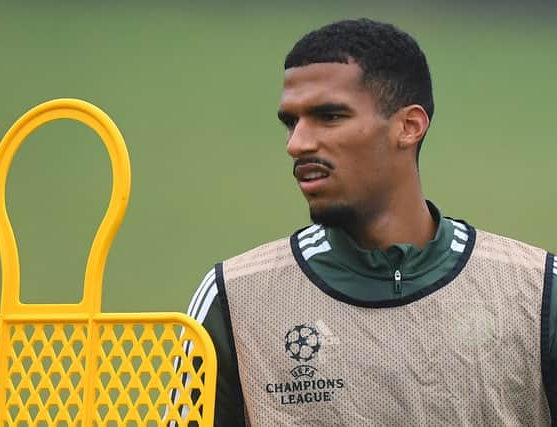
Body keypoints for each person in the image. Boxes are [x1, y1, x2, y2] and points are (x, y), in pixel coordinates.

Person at [186, 18, 556, 426]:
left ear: (408, 127)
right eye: (291, 122)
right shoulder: (234, 297)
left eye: (329, 116)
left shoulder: (539, 291)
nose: (297, 143)